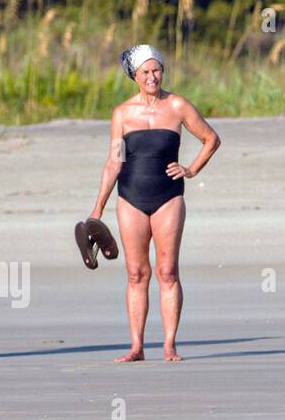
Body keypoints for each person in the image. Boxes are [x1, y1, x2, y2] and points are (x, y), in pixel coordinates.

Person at [89, 45, 221, 363]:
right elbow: (113, 162)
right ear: (134, 75)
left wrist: (190, 169)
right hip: (130, 197)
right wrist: (97, 211)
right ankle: (136, 346)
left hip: (169, 196)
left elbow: (212, 139)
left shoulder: (177, 106)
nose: (152, 77)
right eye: (145, 72)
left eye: (157, 70)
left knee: (168, 271)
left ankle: (169, 345)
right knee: (136, 273)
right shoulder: (122, 113)